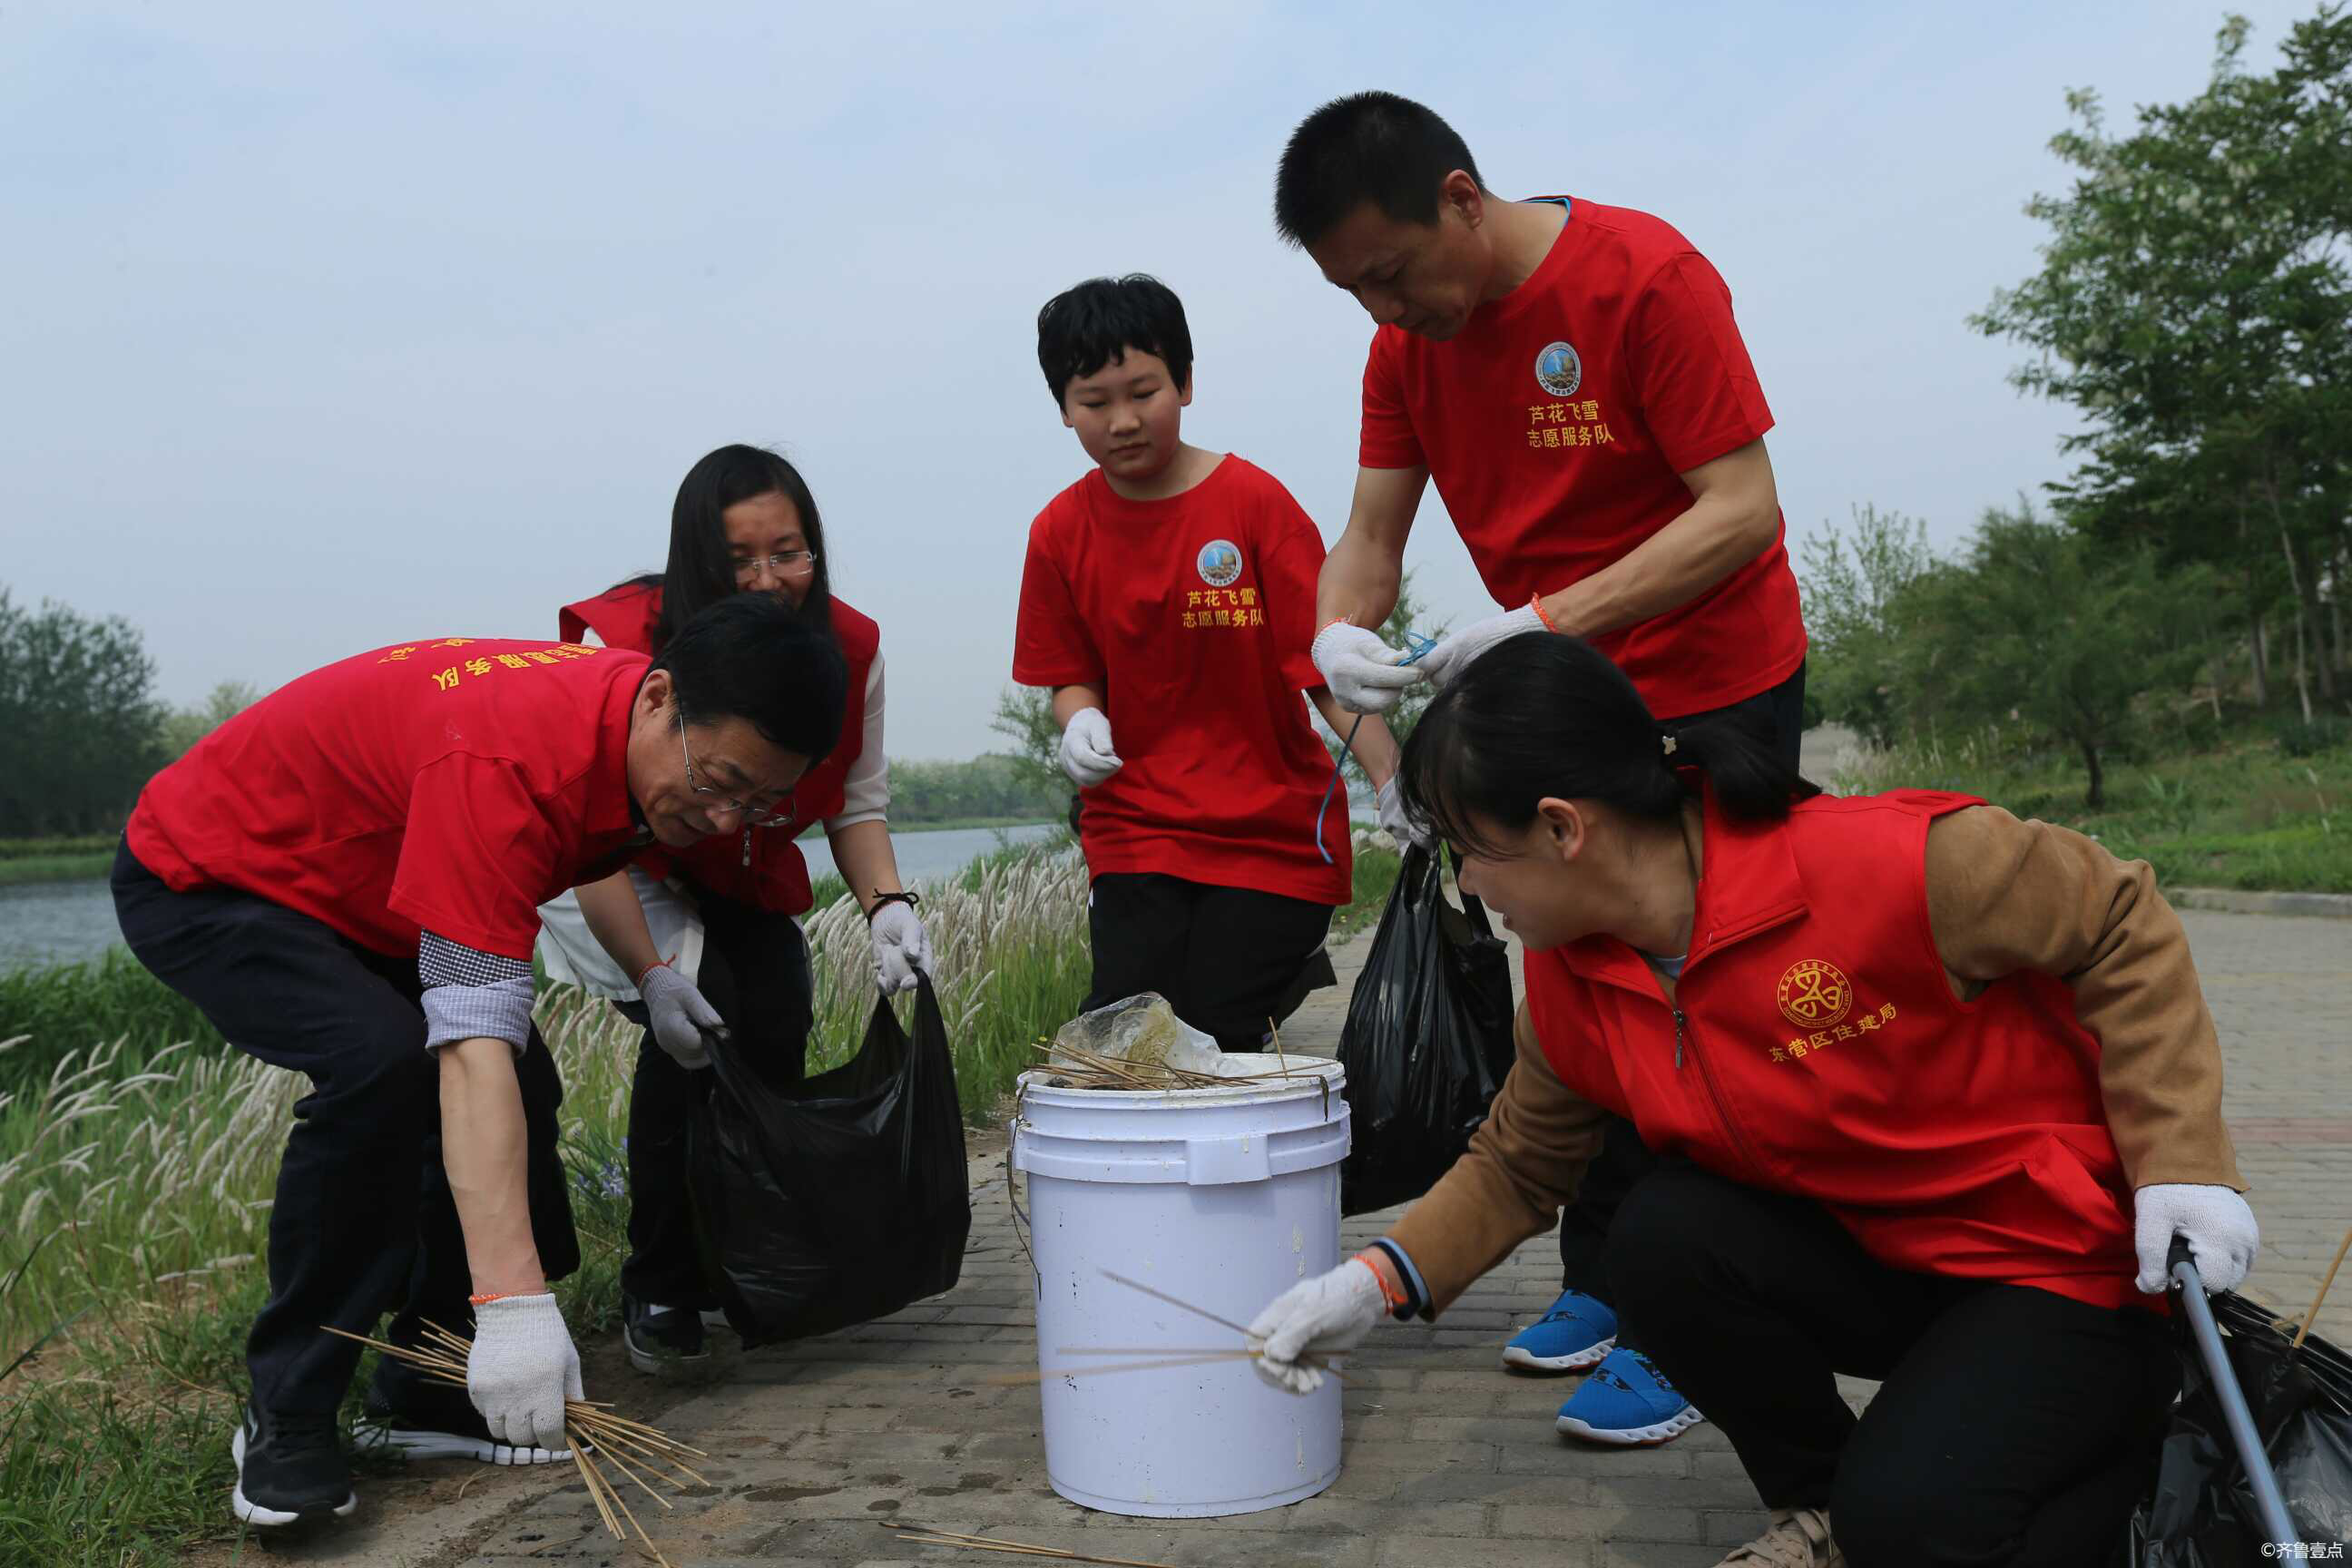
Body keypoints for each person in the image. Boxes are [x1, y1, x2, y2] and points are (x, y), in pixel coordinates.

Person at [1246, 632, 2259, 1568]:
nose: (1466, 880)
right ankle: (1825, 1509)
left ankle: (2167, 1491)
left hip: (2056, 1270)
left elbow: (2119, 914)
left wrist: (2184, 1165)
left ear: (1563, 828)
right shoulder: (1574, 977)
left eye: (1473, 849)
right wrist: (1372, 1286)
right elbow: (1519, 1164)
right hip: (1885, 1261)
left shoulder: (1884, 864)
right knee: (1659, 1236)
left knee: (1922, 1529)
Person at [1277, 90, 1809, 1442]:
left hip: (1714, 680)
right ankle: (1606, 1278)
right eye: (1353, 293)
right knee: (1576, 975)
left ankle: (1703, 1323)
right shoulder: (1405, 353)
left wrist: (1546, 618)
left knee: (1705, 986)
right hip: (1569, 697)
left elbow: (1742, 509)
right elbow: (1369, 536)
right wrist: (1337, 625)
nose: (1385, 314)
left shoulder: (1645, 280)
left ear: (1462, 198)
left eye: (1392, 275)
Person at [111, 597, 846, 1528]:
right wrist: (516, 1302)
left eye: (757, 803)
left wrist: (651, 975)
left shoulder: (627, 726)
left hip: (365, 893)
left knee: (525, 1083)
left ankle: (432, 1376)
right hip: (213, 875)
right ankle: (288, 1411)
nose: (722, 815)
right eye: (722, 780)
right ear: (661, 697)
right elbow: (467, 1048)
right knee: (385, 1069)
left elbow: (585, 843)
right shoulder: (501, 760)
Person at [545, 443, 931, 1377]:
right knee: (702, 1006)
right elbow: (589, 836)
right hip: (616, 865)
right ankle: (662, 1280)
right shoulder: (631, 643)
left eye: (789, 553)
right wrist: (651, 972)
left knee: (779, 1001)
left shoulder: (851, 649)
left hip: (739, 866)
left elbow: (857, 805)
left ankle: (740, 1252)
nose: (768, 582)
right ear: (696, 562)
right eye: (739, 561)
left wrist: (888, 908)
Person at [1013, 274, 1404, 1050]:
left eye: (1144, 391)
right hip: (1135, 829)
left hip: (1268, 835)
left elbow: (1321, 666)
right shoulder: (1059, 532)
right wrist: (1079, 717)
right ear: (1063, 407)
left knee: (1216, 1035)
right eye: (1094, 401)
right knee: (1125, 1041)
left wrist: (1395, 779)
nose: (1123, 421)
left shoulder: (1255, 505)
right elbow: (1070, 670)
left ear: (1185, 383)